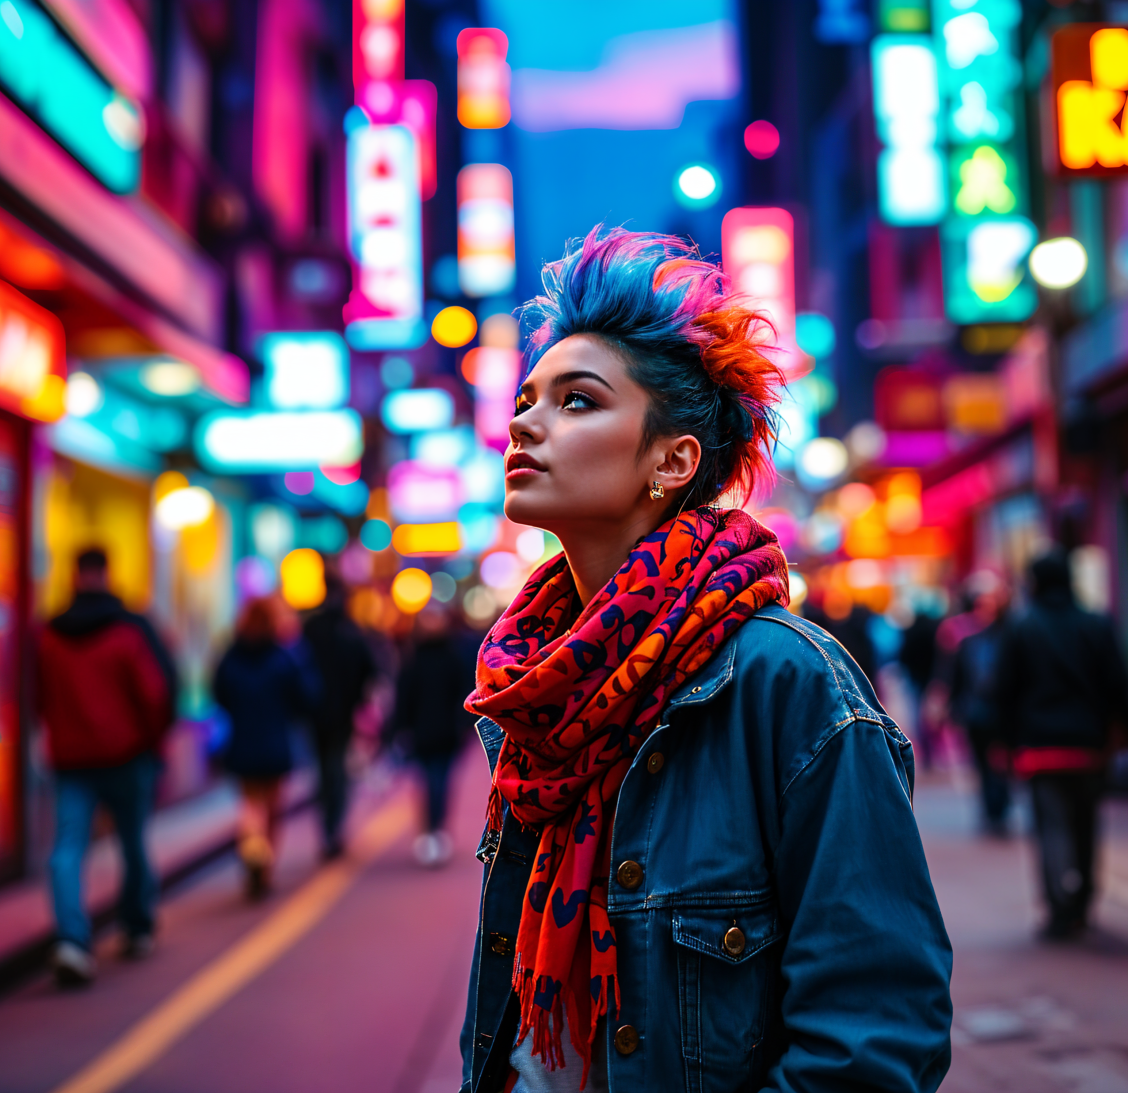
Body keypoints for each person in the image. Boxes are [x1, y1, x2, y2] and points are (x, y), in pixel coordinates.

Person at [458, 228, 951, 1093]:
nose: (525, 421)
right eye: (529, 398)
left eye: (576, 401)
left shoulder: (787, 686)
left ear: (672, 459)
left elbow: (877, 1032)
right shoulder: (534, 692)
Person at [38, 548, 177, 987]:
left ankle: (72, 940)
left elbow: (36, 696)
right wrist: (156, 746)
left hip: (71, 759)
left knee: (67, 849)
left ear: (74, 574)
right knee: (132, 842)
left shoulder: (48, 634)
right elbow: (155, 694)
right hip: (127, 755)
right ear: (107, 573)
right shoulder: (129, 630)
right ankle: (136, 927)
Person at [996, 551, 1128, 940]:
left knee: (1050, 828)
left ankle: (1059, 907)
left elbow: (1004, 690)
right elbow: (1119, 683)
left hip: (1040, 748)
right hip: (1089, 747)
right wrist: (1127, 732)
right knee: (1087, 825)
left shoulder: (1021, 628)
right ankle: (1084, 900)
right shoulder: (1097, 624)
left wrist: (1003, 742)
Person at [213, 595, 321, 899]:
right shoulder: (282, 656)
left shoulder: (231, 655)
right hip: (275, 741)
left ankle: (251, 849)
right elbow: (304, 697)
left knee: (250, 804)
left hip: (242, 741)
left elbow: (219, 693)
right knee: (272, 808)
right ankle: (265, 861)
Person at [393, 603, 476, 867]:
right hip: (428, 732)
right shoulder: (420, 658)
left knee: (437, 782)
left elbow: (465, 693)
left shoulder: (446, 656)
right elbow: (404, 698)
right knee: (432, 782)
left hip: (441, 732)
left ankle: (434, 832)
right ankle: (434, 832)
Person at [301, 580, 377, 859]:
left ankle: (328, 827)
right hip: (343, 714)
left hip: (316, 714)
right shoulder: (352, 633)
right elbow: (369, 671)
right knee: (337, 769)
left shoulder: (310, 631)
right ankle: (333, 827)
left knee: (323, 770)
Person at [939, 571, 1011, 835]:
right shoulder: (964, 638)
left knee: (999, 763)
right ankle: (992, 808)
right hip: (976, 713)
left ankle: (998, 805)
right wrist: (951, 706)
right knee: (982, 763)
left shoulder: (1009, 637)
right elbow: (955, 676)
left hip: (999, 714)